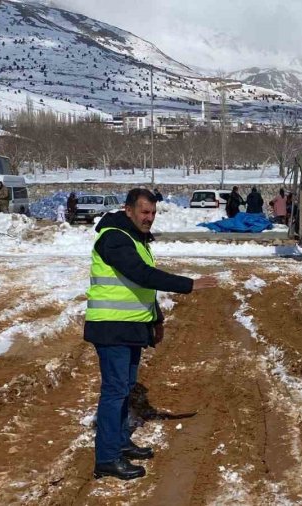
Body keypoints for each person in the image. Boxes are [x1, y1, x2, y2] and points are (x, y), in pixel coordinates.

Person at [85, 188, 216, 481]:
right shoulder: (114, 238)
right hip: (110, 326)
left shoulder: (134, 238)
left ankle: (119, 442)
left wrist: (155, 319)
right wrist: (189, 284)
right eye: (145, 212)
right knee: (115, 391)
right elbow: (142, 274)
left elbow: (139, 288)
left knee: (125, 387)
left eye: (153, 213)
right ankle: (106, 458)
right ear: (128, 210)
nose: (150, 218)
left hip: (129, 325)